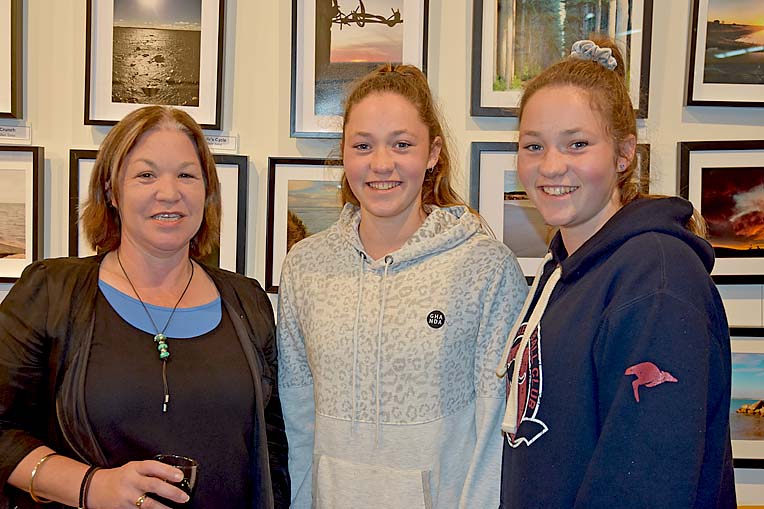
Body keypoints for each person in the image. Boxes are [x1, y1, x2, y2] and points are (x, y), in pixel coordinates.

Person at [0, 106, 288, 508]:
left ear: (207, 192)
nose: (169, 192)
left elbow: (271, 451)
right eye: (146, 175)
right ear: (111, 192)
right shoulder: (50, 292)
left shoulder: (247, 302)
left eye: (186, 175)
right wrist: (90, 487)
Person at [277, 64, 528, 509]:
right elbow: (297, 418)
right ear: (344, 154)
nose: (381, 164)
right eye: (362, 145)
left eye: (402, 144)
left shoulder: (486, 268)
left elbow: (496, 429)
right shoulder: (305, 265)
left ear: (432, 154)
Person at [498, 39, 736, 507]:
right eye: (533, 146)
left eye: (578, 144)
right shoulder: (562, 269)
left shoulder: (656, 277)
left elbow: (647, 480)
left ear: (624, 153)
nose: (551, 166)